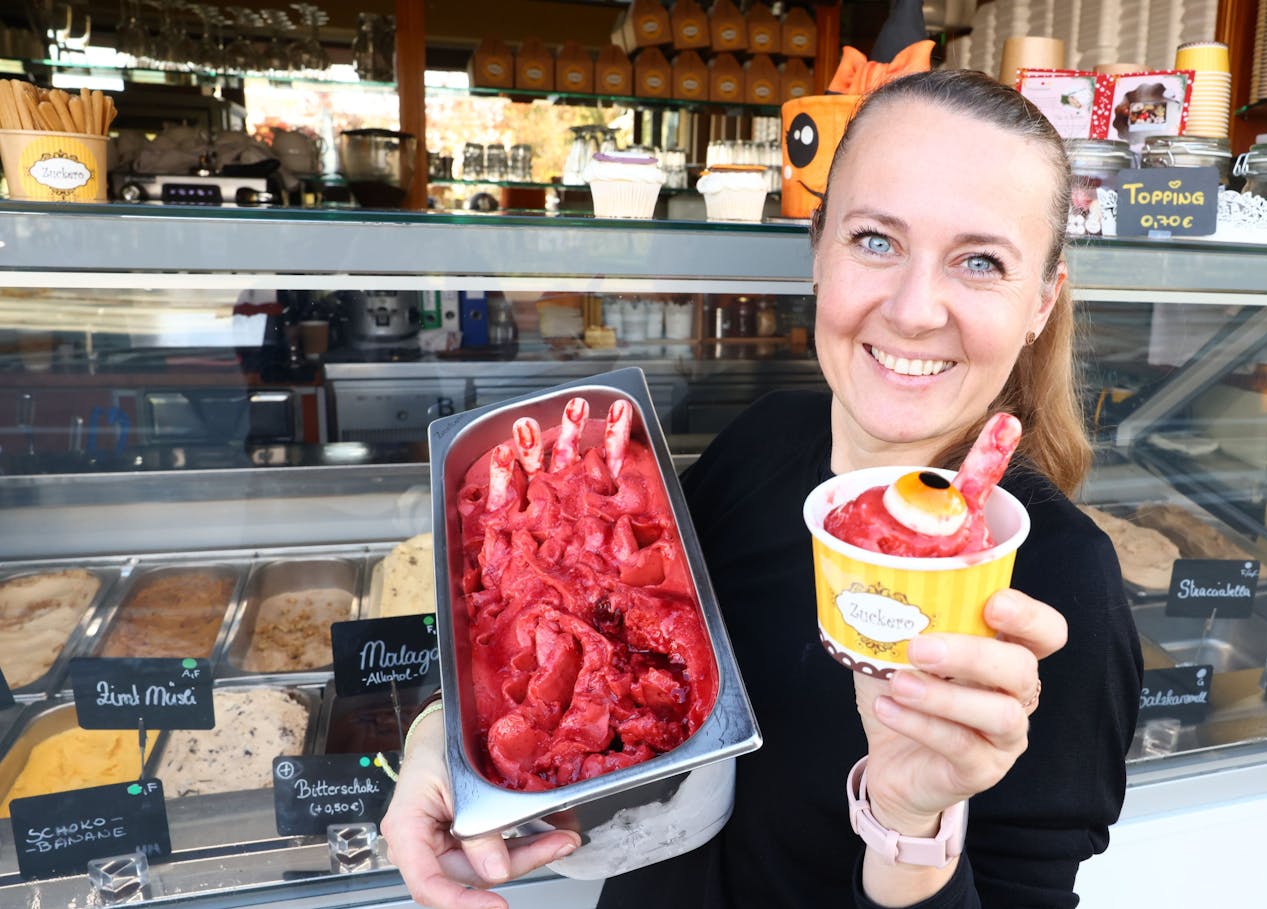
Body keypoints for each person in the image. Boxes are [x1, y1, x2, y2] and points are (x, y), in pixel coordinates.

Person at [380, 68, 1142, 909]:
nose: (917, 309)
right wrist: (445, 740)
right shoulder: (764, 439)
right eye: (877, 240)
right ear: (817, 248)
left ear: (1042, 302)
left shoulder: (1062, 592)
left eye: (981, 261)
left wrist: (909, 825)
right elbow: (598, 630)